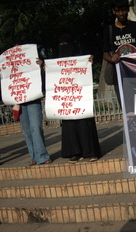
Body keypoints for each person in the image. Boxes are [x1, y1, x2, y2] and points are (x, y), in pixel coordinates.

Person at [0, 41, 52, 166]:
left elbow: (44, 77)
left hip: (33, 98)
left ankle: (42, 156)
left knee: (36, 128)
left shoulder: (36, 60)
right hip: (19, 101)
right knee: (26, 130)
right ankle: (34, 157)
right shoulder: (9, 65)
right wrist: (1, 73)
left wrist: (41, 67)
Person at [58, 34, 101, 163]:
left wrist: (89, 64)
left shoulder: (81, 60)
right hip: (67, 100)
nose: (64, 48)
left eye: (66, 45)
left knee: (85, 124)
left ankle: (90, 151)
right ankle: (74, 152)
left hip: (80, 98)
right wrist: (45, 69)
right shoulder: (56, 64)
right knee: (70, 126)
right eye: (61, 46)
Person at [102, 0, 136, 107]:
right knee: (127, 109)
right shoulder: (109, 29)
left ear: (128, 10)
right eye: (118, 11)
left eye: (123, 10)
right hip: (120, 76)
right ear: (113, 11)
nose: (121, 13)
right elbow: (105, 54)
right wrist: (112, 59)